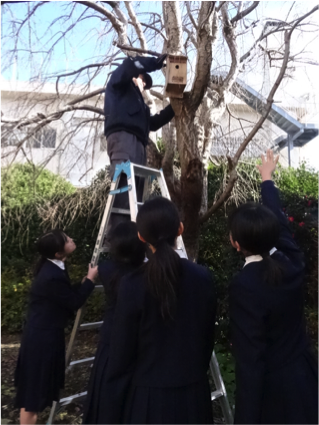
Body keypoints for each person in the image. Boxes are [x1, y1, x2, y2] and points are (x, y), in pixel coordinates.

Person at [102, 197, 216, 425]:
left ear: (141, 236)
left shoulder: (131, 284)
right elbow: (207, 338)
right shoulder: (202, 277)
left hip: (147, 402)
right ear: (180, 229)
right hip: (194, 397)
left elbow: (121, 355)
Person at [228, 150, 319, 425]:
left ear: (236, 243)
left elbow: (250, 360)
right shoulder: (291, 262)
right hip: (305, 377)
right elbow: (278, 222)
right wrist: (267, 179)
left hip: (275, 393)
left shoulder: (244, 285)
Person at [14, 230, 98, 425]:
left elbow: (63, 295)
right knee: (33, 396)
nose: (72, 239)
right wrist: (91, 281)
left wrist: (83, 283)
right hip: (42, 340)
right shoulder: (51, 275)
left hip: (43, 334)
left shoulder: (54, 266)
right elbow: (73, 302)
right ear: (59, 253)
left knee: (35, 391)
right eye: (67, 240)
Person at [82, 221, 146, 425]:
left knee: (107, 397)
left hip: (111, 341)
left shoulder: (106, 269)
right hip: (138, 340)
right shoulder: (145, 272)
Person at [104, 55, 175, 228]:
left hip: (138, 143)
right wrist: (155, 63)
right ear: (135, 76)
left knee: (135, 191)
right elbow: (129, 65)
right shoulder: (118, 85)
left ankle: (133, 233)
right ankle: (119, 235)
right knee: (123, 185)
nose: (144, 86)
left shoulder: (140, 105)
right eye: (143, 80)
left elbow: (154, 123)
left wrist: (175, 107)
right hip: (123, 138)